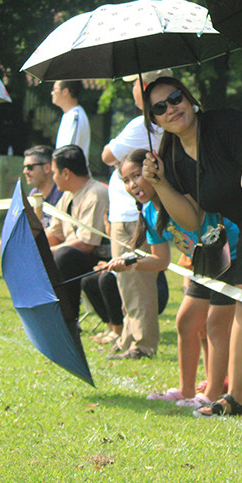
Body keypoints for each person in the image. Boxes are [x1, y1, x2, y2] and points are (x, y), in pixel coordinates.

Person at [141, 76, 242, 417]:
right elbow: (192, 219)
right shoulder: (172, 155)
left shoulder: (226, 124)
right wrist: (159, 183)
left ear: (189, 97)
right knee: (233, 317)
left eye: (175, 98)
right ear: (155, 120)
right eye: (159, 108)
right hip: (240, 232)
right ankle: (231, 398)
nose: (170, 109)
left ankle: (229, 397)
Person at [102, 149, 237, 406]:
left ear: (152, 171)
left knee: (214, 327)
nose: (132, 185)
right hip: (204, 263)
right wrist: (129, 265)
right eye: (126, 180)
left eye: (136, 176)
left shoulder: (178, 196)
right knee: (186, 322)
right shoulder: (150, 213)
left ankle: (211, 395)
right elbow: (161, 261)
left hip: (229, 257)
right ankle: (186, 391)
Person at [95, 71, 165, 353]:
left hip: (131, 213)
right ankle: (128, 337)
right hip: (126, 212)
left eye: (135, 84)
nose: (133, 89)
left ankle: (142, 343)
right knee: (127, 281)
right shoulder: (147, 123)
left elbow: (107, 156)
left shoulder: (142, 124)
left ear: (145, 86)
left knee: (137, 281)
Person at [45, 144, 110, 332]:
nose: (53, 177)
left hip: (102, 259)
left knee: (65, 256)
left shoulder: (96, 194)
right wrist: (33, 248)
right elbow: (55, 233)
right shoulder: (67, 196)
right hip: (75, 255)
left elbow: (87, 244)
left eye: (55, 172)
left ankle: (69, 319)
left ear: (66, 173)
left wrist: (47, 252)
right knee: (55, 254)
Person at [23, 145, 63, 228]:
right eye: (25, 167)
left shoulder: (62, 195)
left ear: (47, 168)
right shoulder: (34, 194)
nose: (25, 171)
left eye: (30, 167)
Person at [52, 80, 90, 156]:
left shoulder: (75, 117)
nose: (52, 93)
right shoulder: (68, 115)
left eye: (55, 89)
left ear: (65, 92)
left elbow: (69, 154)